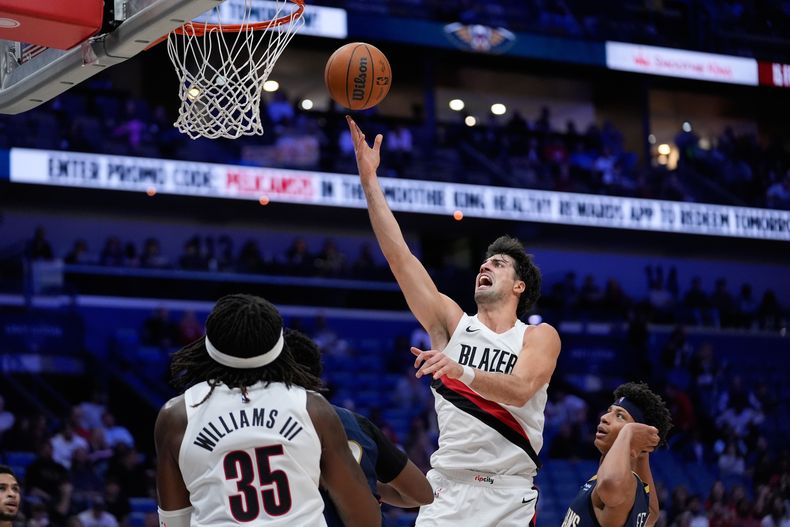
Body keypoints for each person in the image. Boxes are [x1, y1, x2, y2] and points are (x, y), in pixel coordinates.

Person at [346, 116, 562, 526]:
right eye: (484, 262)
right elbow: (400, 258)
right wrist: (370, 181)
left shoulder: (538, 335)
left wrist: (461, 370)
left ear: (519, 287)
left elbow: (520, 391)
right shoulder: (450, 323)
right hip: (446, 490)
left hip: (509, 495)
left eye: (498, 264)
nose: (486, 265)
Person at [154, 293, 381, 527]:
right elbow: (365, 519)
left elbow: (174, 521)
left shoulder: (177, 415)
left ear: (207, 344)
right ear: (279, 345)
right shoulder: (313, 409)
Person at [283, 327, 434, 525]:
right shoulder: (356, 423)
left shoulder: (268, 426)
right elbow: (421, 494)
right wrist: (360, 483)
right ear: (318, 377)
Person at [562, 382, 673, 527]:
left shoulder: (622, 484)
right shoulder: (630, 488)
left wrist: (629, 434)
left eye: (620, 416)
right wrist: (642, 452)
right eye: (609, 411)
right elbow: (651, 514)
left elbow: (610, 483)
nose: (604, 417)